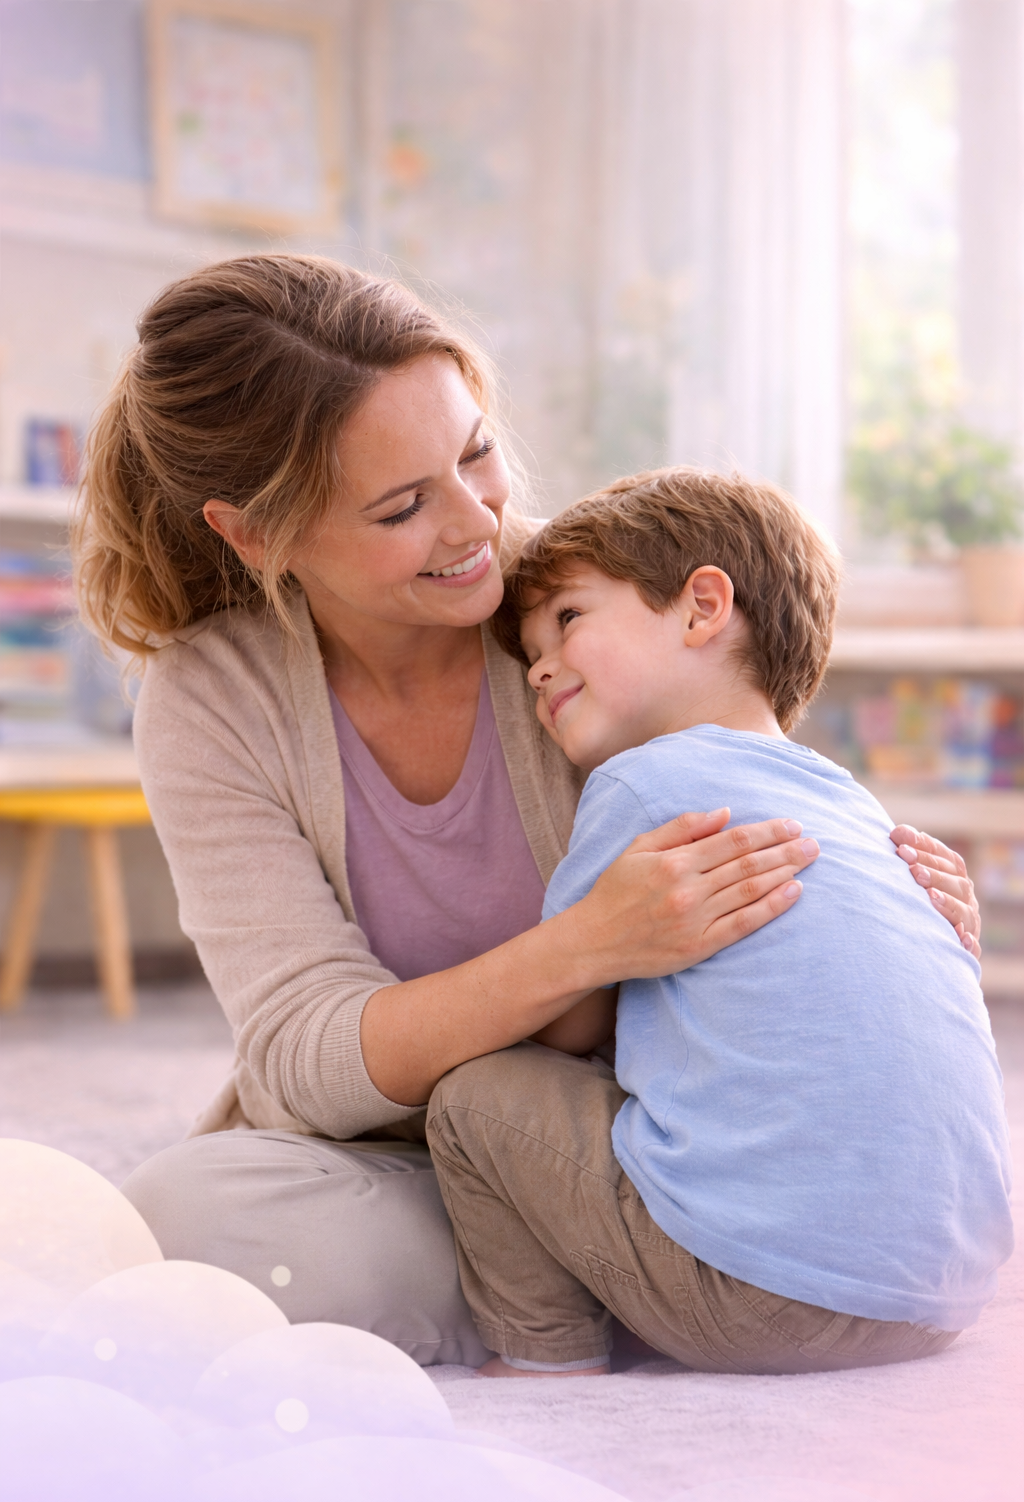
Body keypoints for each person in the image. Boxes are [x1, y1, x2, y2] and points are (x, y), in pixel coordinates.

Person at [73, 255, 981, 1365]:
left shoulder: (576, 620)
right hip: (403, 1156)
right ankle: (635, 1290)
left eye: (475, 455)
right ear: (257, 535)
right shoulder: (214, 696)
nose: (475, 524)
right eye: (404, 506)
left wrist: (885, 903)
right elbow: (304, 1058)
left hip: (648, 1145)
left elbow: (753, 792)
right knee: (187, 1217)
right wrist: (585, 948)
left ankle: (656, 1283)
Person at [427, 467, 1013, 1377]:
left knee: (479, 1098)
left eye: (568, 620)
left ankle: (544, 1355)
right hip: (943, 1292)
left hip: (756, 1298)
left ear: (704, 606)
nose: (540, 666)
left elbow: (567, 1029)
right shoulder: (853, 806)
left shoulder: (640, 783)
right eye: (530, 650)